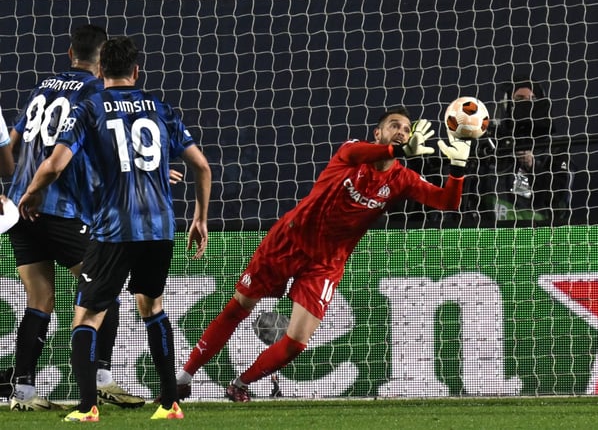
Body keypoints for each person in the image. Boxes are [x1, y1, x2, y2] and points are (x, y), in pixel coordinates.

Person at [169, 107, 471, 402]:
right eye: (394, 125)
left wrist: (457, 169)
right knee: (239, 307)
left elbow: (447, 202)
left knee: (297, 342)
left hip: (326, 263)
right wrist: (398, 151)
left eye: (406, 129)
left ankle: (240, 384)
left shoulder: (402, 179)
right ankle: (183, 378)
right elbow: (362, 153)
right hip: (289, 241)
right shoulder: (351, 152)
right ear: (377, 133)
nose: (401, 132)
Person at [17, 36, 211, 421]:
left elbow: (55, 164)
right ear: (137, 71)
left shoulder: (90, 108)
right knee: (152, 307)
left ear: (101, 70)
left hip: (114, 228)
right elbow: (202, 167)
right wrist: (200, 218)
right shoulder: (161, 108)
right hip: (160, 227)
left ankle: (87, 406)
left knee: (86, 315)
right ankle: (169, 403)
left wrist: (32, 192)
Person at [0, 24, 149, 412]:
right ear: (103, 61)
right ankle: (100, 378)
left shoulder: (42, 87)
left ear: (70, 53)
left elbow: (11, 143)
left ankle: (23, 392)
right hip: (59, 207)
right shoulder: (96, 92)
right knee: (105, 290)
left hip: (18, 206)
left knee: (40, 297)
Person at [477, 77, 572, 225]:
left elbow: (559, 196)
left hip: (538, 229)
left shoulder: (555, 147)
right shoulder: (491, 143)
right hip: (492, 228)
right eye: (519, 99)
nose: (526, 104)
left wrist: (533, 166)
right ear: (508, 104)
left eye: (532, 99)